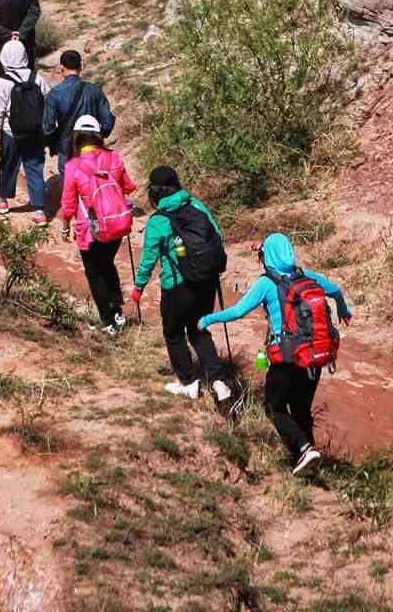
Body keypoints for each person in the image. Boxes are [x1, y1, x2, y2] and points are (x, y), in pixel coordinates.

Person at [202, 231, 350, 473]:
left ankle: (304, 449)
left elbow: (238, 312)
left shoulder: (267, 283)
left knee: (274, 406)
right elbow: (335, 291)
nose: (260, 258)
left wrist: (208, 319)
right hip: (313, 356)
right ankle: (308, 463)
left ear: (267, 255)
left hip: (287, 357)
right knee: (301, 409)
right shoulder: (306, 277)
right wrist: (343, 310)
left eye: (261, 255)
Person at [128, 168, 232, 404]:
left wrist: (138, 287)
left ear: (154, 192)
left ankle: (188, 383)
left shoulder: (158, 220)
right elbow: (216, 234)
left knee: (174, 333)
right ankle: (218, 382)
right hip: (206, 281)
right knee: (199, 330)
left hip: (176, 287)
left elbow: (148, 259)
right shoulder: (196, 204)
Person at [56, 117, 134, 331]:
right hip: (116, 225)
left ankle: (107, 321)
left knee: (94, 272)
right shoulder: (115, 158)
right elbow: (128, 187)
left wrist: (64, 227)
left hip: (91, 230)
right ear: (99, 136)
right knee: (107, 264)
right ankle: (118, 312)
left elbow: (68, 203)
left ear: (77, 138)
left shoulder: (72, 166)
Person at [0, 38, 49, 222]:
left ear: (4, 58)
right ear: (24, 56)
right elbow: (48, 98)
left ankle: (2, 200)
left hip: (11, 132)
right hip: (35, 132)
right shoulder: (36, 77)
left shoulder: (2, 82)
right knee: (35, 168)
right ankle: (39, 212)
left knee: (7, 166)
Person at [42, 49, 113, 187]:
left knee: (70, 186)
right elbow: (107, 122)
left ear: (61, 68)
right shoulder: (95, 90)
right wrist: (99, 136)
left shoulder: (55, 94)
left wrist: (53, 144)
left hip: (66, 147)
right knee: (93, 184)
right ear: (81, 66)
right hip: (92, 146)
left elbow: (48, 127)